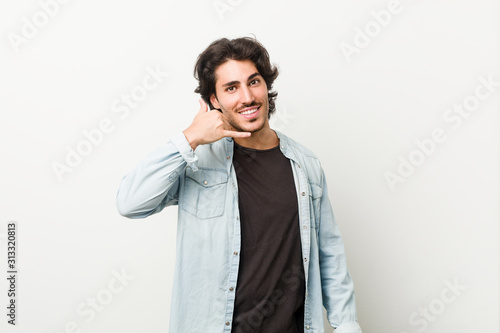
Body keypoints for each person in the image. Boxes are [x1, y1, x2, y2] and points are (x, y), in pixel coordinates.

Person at [116, 36, 362, 333]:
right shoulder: (197, 160)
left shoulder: (305, 164)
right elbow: (130, 202)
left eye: (254, 82)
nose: (247, 97)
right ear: (214, 101)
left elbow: (329, 255)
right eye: (231, 88)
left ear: (266, 86)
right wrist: (190, 137)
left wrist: (347, 326)